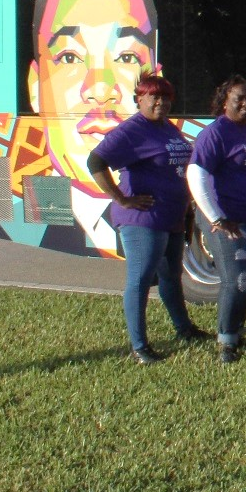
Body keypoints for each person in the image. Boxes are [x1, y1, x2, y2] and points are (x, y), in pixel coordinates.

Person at [28, 0, 160, 249]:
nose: (100, 90)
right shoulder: (6, 223)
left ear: (155, 80)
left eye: (126, 57)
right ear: (35, 86)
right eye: (69, 58)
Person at [86, 74, 209, 364]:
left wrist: (188, 210)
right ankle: (140, 347)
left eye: (166, 97)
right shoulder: (133, 130)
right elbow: (96, 161)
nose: (161, 102)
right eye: (154, 97)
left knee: (171, 277)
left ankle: (184, 329)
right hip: (143, 219)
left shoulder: (167, 127)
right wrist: (122, 199)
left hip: (172, 216)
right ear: (139, 99)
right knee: (140, 280)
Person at [186, 76, 246, 364]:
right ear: (225, 101)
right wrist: (217, 218)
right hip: (228, 220)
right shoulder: (215, 133)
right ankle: (226, 342)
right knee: (235, 279)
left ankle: (237, 330)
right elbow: (196, 174)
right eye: (240, 99)